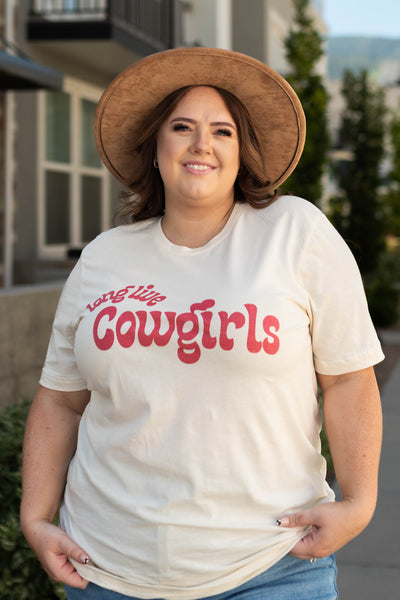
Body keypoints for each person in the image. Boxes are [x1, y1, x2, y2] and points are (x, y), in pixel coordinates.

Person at [20, 47, 384, 600]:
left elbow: (348, 378)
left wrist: (358, 504)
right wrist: (36, 517)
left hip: (271, 566)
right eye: (182, 126)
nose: (200, 144)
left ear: (243, 152)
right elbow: (59, 400)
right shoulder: (103, 257)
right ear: (156, 145)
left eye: (222, 131)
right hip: (107, 569)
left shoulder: (296, 232)